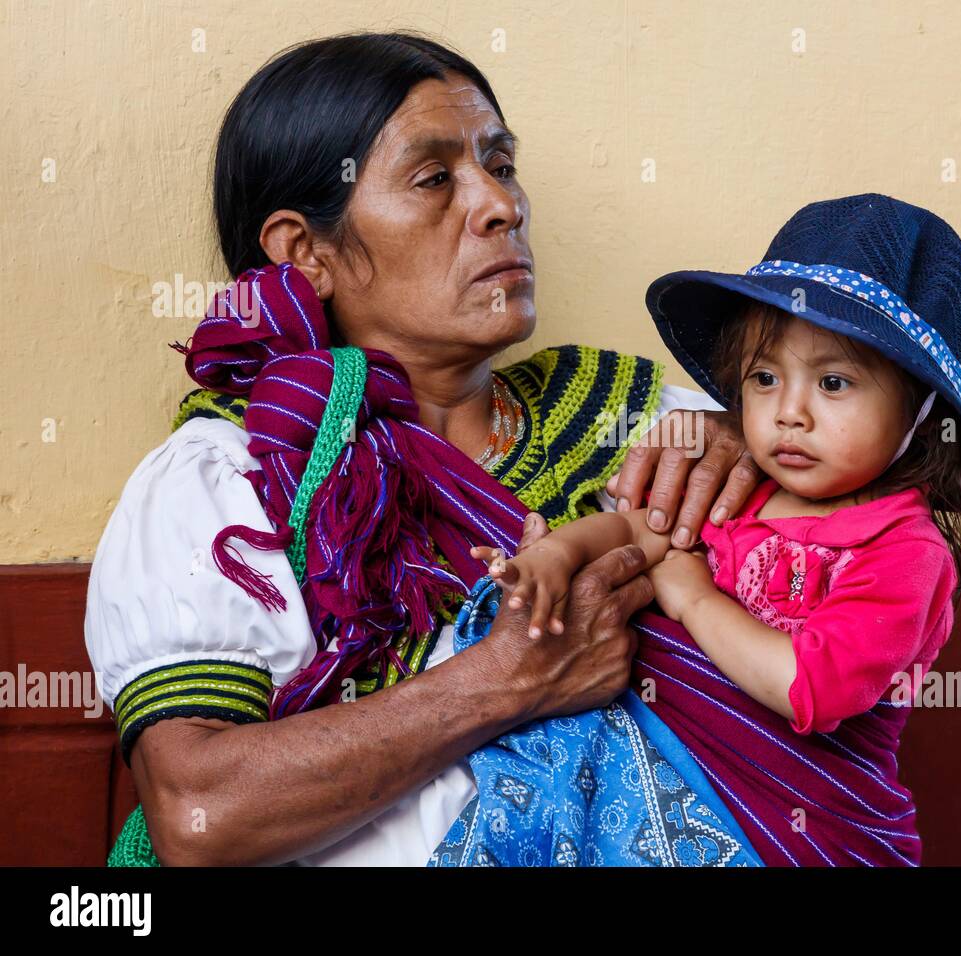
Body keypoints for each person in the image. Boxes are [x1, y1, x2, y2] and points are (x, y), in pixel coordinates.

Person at [84, 32, 757, 867]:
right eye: (435, 179)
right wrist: (511, 679)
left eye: (501, 165)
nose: (500, 205)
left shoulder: (633, 420)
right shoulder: (227, 483)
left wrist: (750, 434)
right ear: (305, 252)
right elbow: (199, 813)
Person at [431, 192, 961, 866]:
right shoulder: (743, 488)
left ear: (920, 409)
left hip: (807, 833)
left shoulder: (905, 553)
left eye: (835, 383)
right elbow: (636, 532)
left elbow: (809, 688)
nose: (789, 412)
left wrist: (693, 596)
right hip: (669, 798)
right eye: (764, 377)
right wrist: (554, 557)